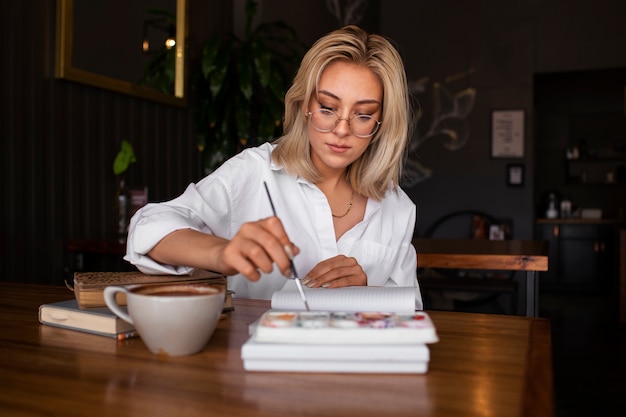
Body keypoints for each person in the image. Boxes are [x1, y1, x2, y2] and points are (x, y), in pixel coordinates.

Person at [125, 25, 422, 307]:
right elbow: (148, 227)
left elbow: (413, 309)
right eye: (328, 108)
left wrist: (366, 292)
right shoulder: (256, 171)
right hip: (258, 353)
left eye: (363, 115)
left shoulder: (397, 207)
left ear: (381, 123)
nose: (342, 129)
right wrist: (222, 253)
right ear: (305, 105)